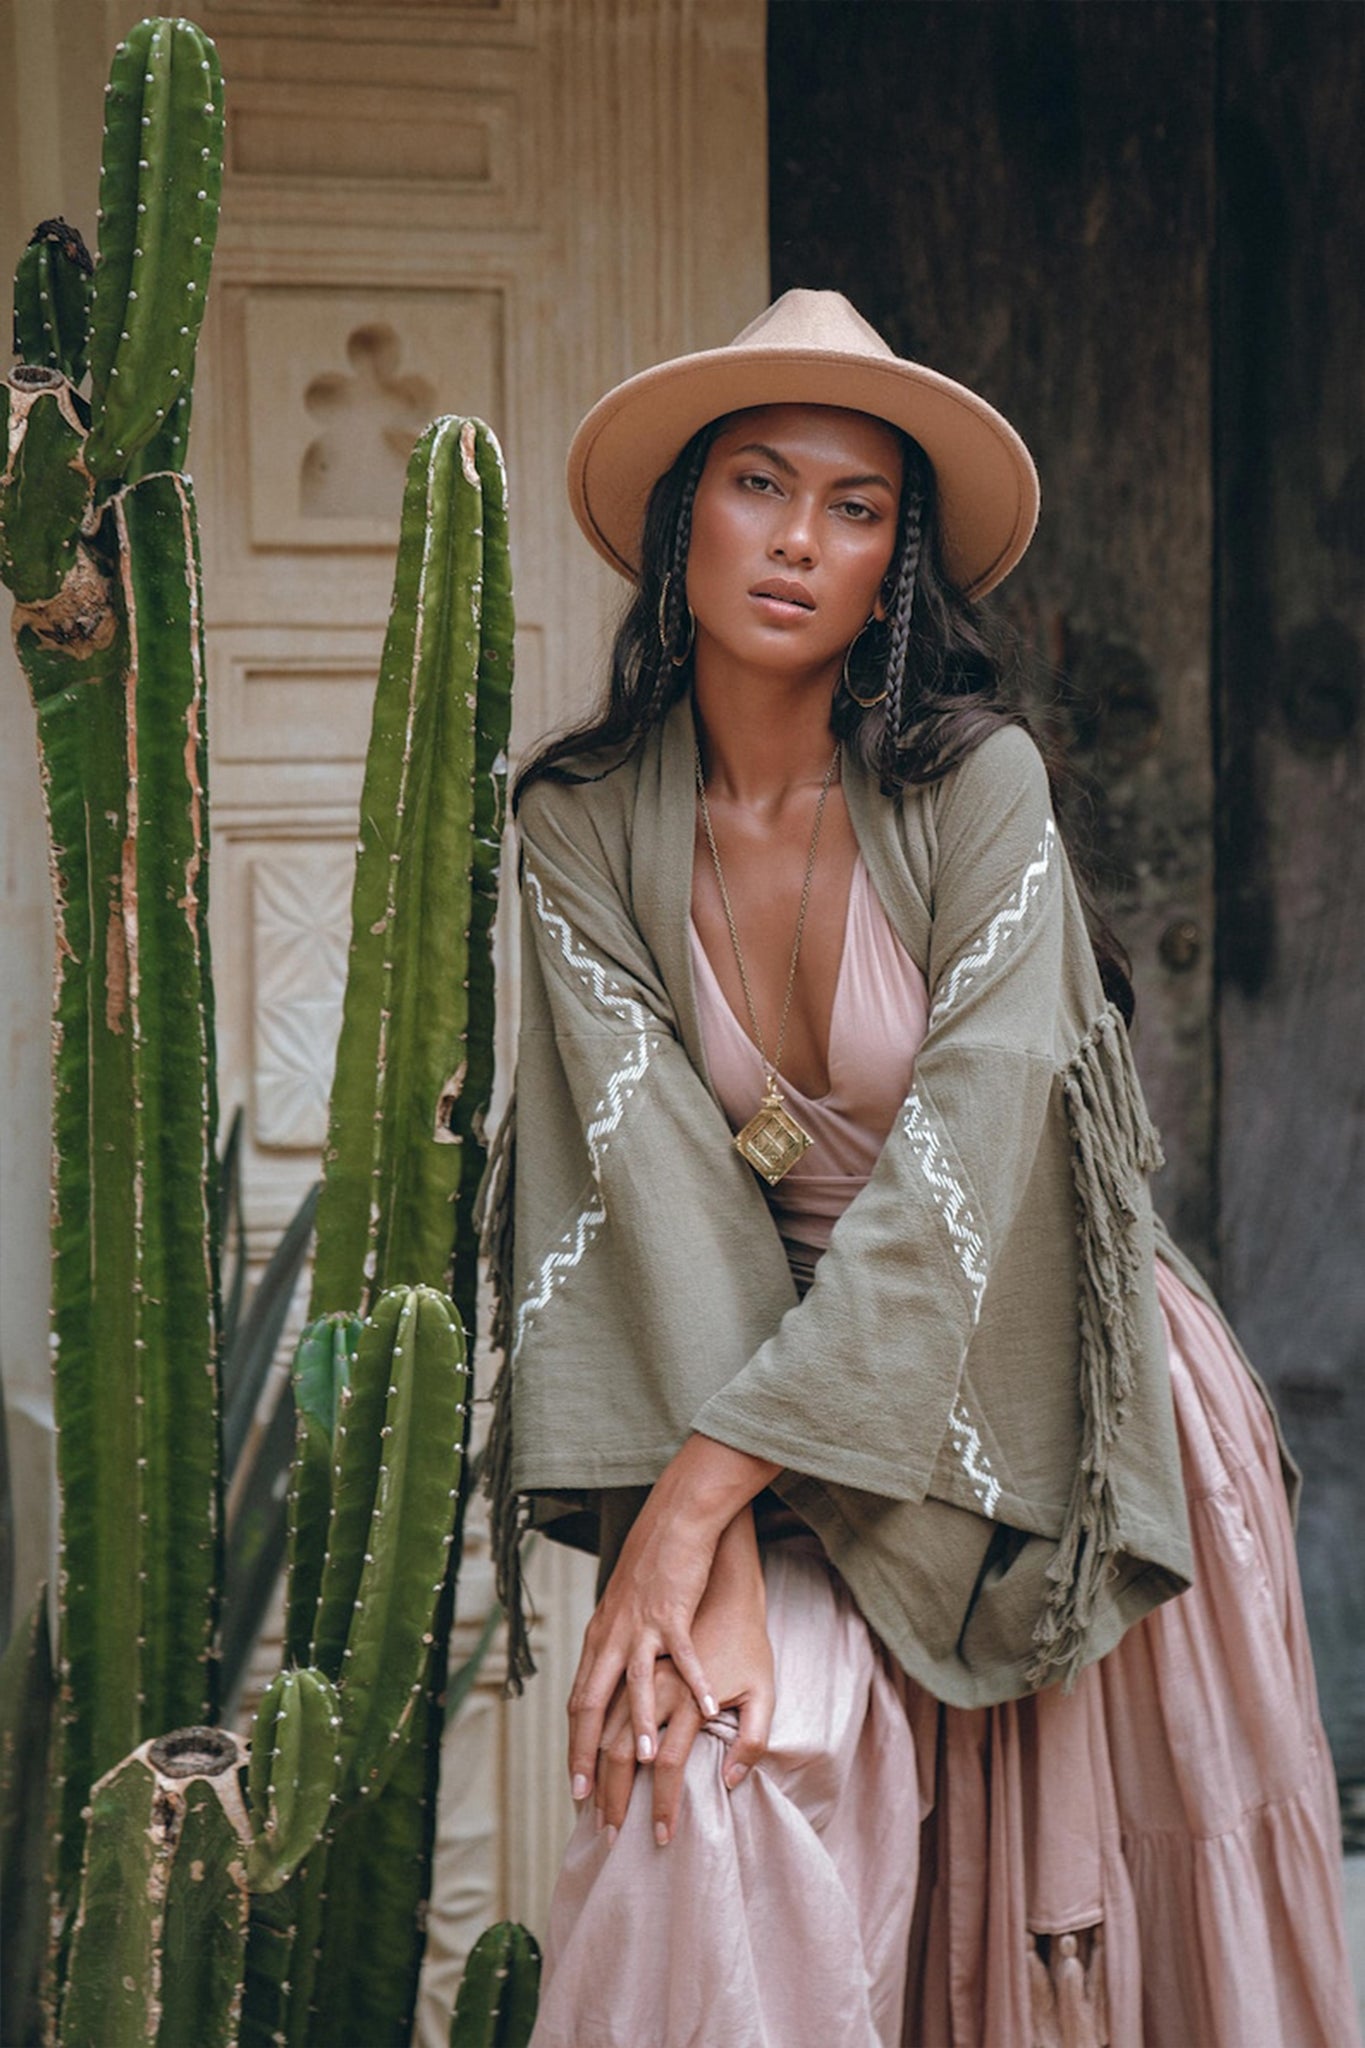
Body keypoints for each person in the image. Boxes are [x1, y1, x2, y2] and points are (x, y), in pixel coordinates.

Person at [479, 291, 1360, 2047]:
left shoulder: (977, 786)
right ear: (681, 516)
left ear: (898, 565)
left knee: (1106, 1924)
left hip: (1048, 1390)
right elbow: (644, 1180)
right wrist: (713, 1556)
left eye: (857, 507)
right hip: (757, 1383)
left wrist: (690, 1509)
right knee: (706, 1785)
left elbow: (975, 1158)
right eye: (757, 483)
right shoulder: (580, 818)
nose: (799, 539)